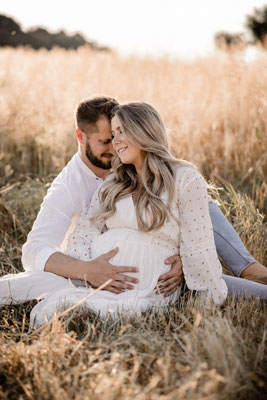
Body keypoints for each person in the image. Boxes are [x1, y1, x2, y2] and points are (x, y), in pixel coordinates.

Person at [0, 96, 266, 309]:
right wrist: (87, 271)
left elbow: (195, 224)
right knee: (22, 287)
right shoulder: (69, 187)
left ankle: (247, 268)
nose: (115, 146)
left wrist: (186, 260)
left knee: (197, 204)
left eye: (118, 134)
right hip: (93, 271)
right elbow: (34, 250)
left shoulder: (160, 171)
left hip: (163, 273)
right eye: (107, 140)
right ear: (80, 138)